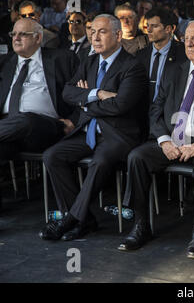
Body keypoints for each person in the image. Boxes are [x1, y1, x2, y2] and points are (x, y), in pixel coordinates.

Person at [118, 20, 194, 258]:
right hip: (172, 140)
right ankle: (141, 224)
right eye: (186, 38)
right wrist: (164, 140)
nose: (189, 43)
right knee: (137, 157)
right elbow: (155, 109)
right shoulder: (175, 70)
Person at [39, 14, 148, 242]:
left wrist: (85, 102)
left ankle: (70, 219)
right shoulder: (89, 61)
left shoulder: (133, 66)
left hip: (118, 136)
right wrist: (96, 94)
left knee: (99, 162)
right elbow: (68, 93)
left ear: (118, 35)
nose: (94, 36)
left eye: (102, 32)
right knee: (52, 156)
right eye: (93, 31)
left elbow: (120, 105)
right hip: (88, 131)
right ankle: (85, 220)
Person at [0, 18, 79, 209]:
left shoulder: (62, 58)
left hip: (46, 128)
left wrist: (73, 121)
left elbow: (82, 94)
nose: (16, 38)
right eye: (13, 34)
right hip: (8, 133)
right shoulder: (4, 62)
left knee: (26, 119)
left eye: (23, 34)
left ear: (38, 38)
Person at [135, 7, 187, 137]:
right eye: (147, 26)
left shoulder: (184, 55)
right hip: (141, 117)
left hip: (170, 118)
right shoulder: (140, 55)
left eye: (155, 26)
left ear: (169, 29)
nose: (149, 30)